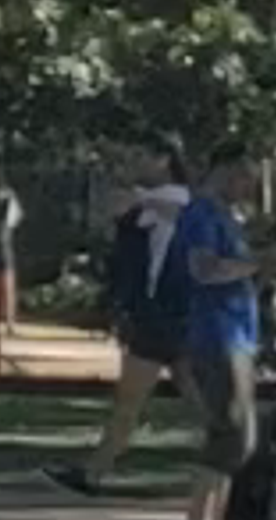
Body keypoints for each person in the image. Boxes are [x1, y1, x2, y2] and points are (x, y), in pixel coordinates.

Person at [54, 147, 197, 496]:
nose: (136, 164)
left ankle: (94, 473)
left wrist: (136, 205)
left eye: (143, 157)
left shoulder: (168, 199)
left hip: (157, 316)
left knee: (130, 403)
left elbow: (133, 214)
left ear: (164, 160)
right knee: (198, 402)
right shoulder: (167, 202)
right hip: (173, 315)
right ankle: (95, 471)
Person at [163, 158, 263, 520]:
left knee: (239, 438)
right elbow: (204, 269)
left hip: (240, 335)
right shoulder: (202, 214)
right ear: (225, 171)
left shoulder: (229, 217)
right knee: (232, 434)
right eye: (246, 176)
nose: (251, 187)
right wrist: (257, 263)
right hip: (217, 336)